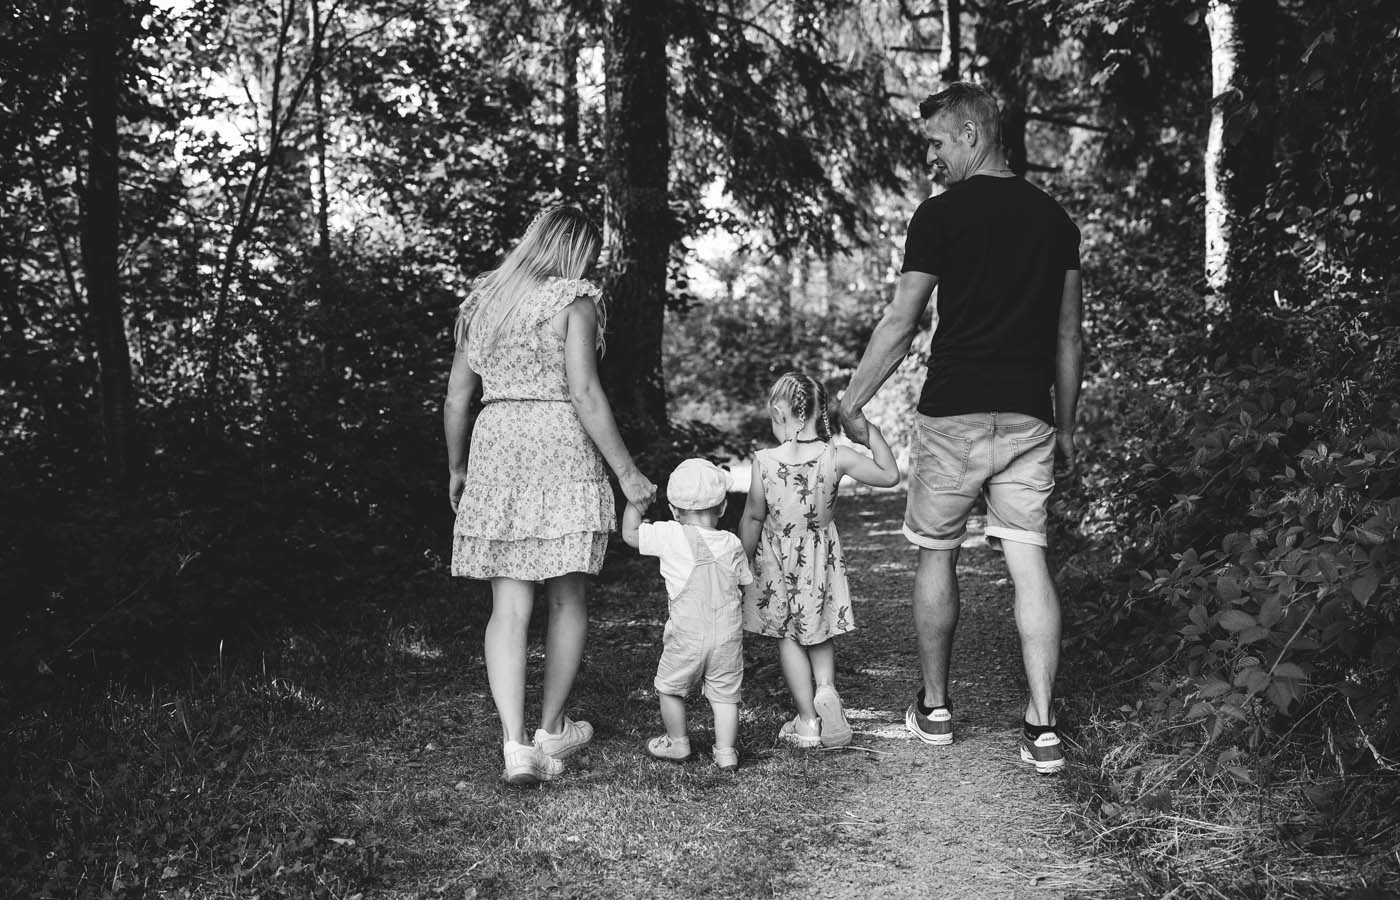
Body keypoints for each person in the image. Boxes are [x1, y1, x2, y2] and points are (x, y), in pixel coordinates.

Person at [838, 82, 1083, 775]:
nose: (931, 157)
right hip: (1029, 415)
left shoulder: (939, 216)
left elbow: (901, 321)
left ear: (972, 133)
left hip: (953, 412)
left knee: (937, 553)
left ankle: (937, 708)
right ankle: (1042, 725)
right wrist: (1065, 425)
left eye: (938, 143)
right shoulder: (1055, 220)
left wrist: (853, 402)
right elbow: (1069, 339)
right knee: (1028, 559)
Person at [444, 205, 657, 785]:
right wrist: (629, 475)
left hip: (497, 447)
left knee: (508, 608)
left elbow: (458, 397)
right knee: (567, 598)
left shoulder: (483, 301)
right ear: (575, 250)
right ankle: (552, 728)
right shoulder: (573, 300)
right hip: (559, 443)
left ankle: (515, 745)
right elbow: (585, 392)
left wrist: (457, 467)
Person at [739, 372, 901, 749]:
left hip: (777, 564)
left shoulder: (765, 461)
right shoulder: (835, 455)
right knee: (820, 628)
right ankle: (826, 690)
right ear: (819, 412)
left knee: (788, 637)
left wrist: (740, 563)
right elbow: (890, 474)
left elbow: (752, 516)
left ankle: (809, 723)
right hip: (819, 559)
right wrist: (868, 430)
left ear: (781, 412)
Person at [621, 458, 752, 771]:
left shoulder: (669, 535)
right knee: (725, 697)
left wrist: (635, 503)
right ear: (722, 508)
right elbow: (745, 582)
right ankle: (725, 752)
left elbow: (630, 535)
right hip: (727, 634)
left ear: (674, 510)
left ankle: (678, 742)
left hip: (687, 635)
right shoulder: (732, 542)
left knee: (670, 687)